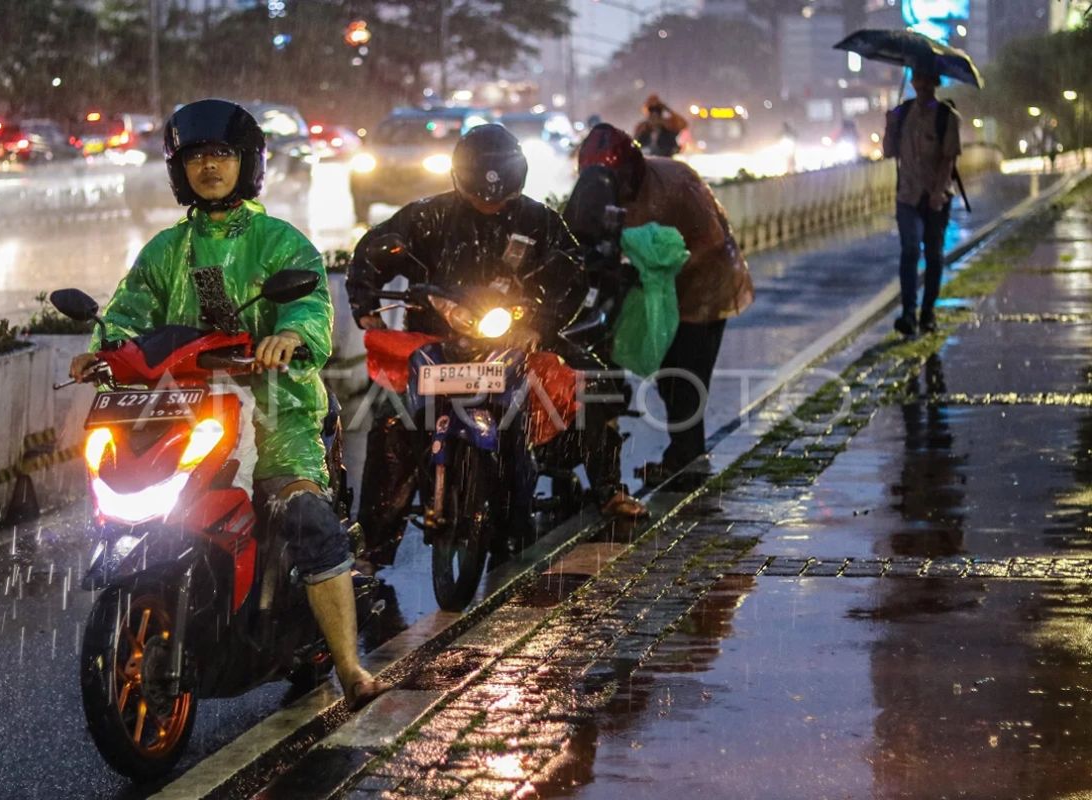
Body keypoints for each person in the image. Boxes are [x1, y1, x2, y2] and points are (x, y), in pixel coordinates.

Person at [68, 99, 387, 711]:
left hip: (278, 412)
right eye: (195, 156)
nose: (209, 167)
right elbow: (129, 314)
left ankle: (349, 667)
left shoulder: (279, 241)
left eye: (222, 155)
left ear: (248, 165)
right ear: (177, 168)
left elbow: (310, 306)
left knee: (307, 518)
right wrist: (101, 350)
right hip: (185, 409)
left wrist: (290, 336)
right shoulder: (165, 250)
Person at [347, 124, 645, 570]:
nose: (489, 202)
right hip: (434, 342)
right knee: (392, 423)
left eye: (498, 195)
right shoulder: (426, 216)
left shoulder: (539, 220)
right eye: (479, 194)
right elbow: (375, 251)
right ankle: (371, 549)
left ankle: (608, 489)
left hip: (516, 337)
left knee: (590, 384)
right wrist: (365, 301)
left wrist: (539, 326)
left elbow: (571, 273)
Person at [576, 123, 753, 484]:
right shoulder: (597, 192)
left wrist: (662, 267)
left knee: (684, 378)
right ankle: (658, 462)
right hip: (647, 291)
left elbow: (712, 242)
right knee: (638, 372)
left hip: (703, 288)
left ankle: (686, 464)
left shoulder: (676, 183)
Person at [883, 63, 961, 336]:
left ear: (934, 82)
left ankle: (927, 312)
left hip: (935, 197)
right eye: (918, 78)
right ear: (913, 82)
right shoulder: (902, 114)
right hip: (907, 196)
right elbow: (889, 152)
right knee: (910, 250)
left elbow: (949, 159)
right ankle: (908, 313)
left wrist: (939, 192)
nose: (922, 84)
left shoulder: (946, 116)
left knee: (934, 255)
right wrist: (889, 126)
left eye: (927, 79)